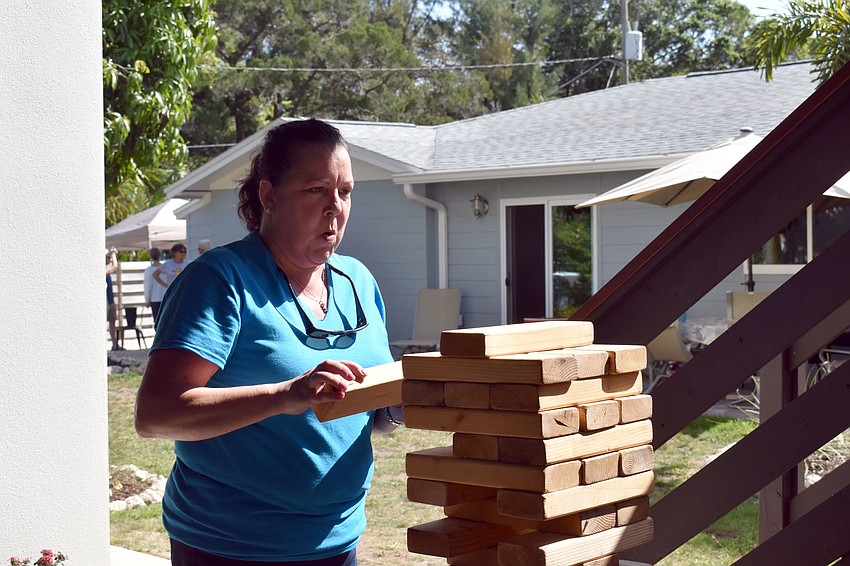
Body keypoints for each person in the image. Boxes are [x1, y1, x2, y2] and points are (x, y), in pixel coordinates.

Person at [135, 118, 402, 565]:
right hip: (229, 546)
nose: (335, 207)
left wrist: (395, 410)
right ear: (268, 196)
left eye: (345, 191)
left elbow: (362, 414)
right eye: (316, 189)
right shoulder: (221, 281)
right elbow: (156, 414)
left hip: (337, 541)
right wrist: (284, 396)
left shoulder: (359, 281)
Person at [105, 247, 123, 351]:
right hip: (105, 302)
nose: (109, 259)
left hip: (110, 300)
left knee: (112, 322)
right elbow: (115, 266)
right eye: (108, 257)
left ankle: (115, 344)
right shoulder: (102, 271)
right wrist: (113, 254)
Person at [143, 247, 166, 322]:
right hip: (165, 297)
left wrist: (147, 300)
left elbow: (148, 286)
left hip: (154, 298)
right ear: (160, 255)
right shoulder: (165, 268)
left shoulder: (148, 270)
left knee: (157, 320)